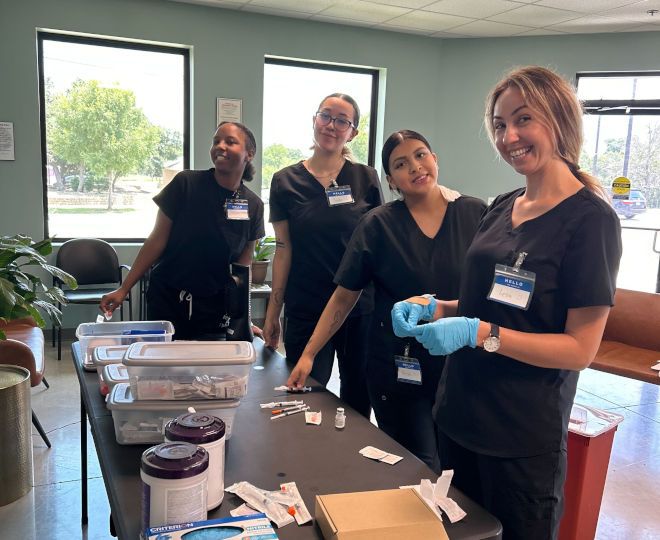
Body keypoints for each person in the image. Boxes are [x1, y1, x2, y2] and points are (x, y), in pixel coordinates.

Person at [392, 66, 622, 539]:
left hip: (519, 439)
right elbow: (482, 305)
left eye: (523, 119)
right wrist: (436, 309)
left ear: (557, 119)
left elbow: (580, 349)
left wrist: (481, 334)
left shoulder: (590, 220)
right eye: (499, 124)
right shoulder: (502, 205)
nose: (509, 135)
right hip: (458, 418)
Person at [287, 130, 486, 466]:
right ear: (391, 180)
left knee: (459, 465)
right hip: (399, 367)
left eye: (421, 155)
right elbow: (343, 296)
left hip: (461, 365)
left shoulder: (475, 213)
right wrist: (309, 353)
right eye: (401, 163)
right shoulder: (378, 225)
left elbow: (488, 293)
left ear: (435, 159)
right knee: (417, 462)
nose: (415, 167)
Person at [262, 93, 383, 418]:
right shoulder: (285, 181)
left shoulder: (365, 178)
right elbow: (283, 249)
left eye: (342, 120)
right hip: (307, 306)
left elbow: (380, 246)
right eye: (326, 116)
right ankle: (305, 465)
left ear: (353, 132)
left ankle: (355, 463)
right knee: (305, 397)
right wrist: (273, 313)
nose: (332, 125)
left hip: (359, 309)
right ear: (314, 119)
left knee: (359, 396)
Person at [100, 122, 264, 340]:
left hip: (214, 309)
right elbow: (156, 241)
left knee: (207, 370)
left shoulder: (254, 205)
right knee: (164, 368)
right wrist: (124, 289)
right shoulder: (186, 184)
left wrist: (244, 319)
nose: (220, 146)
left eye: (230, 142)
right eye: (216, 141)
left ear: (249, 154)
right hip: (168, 299)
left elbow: (242, 270)